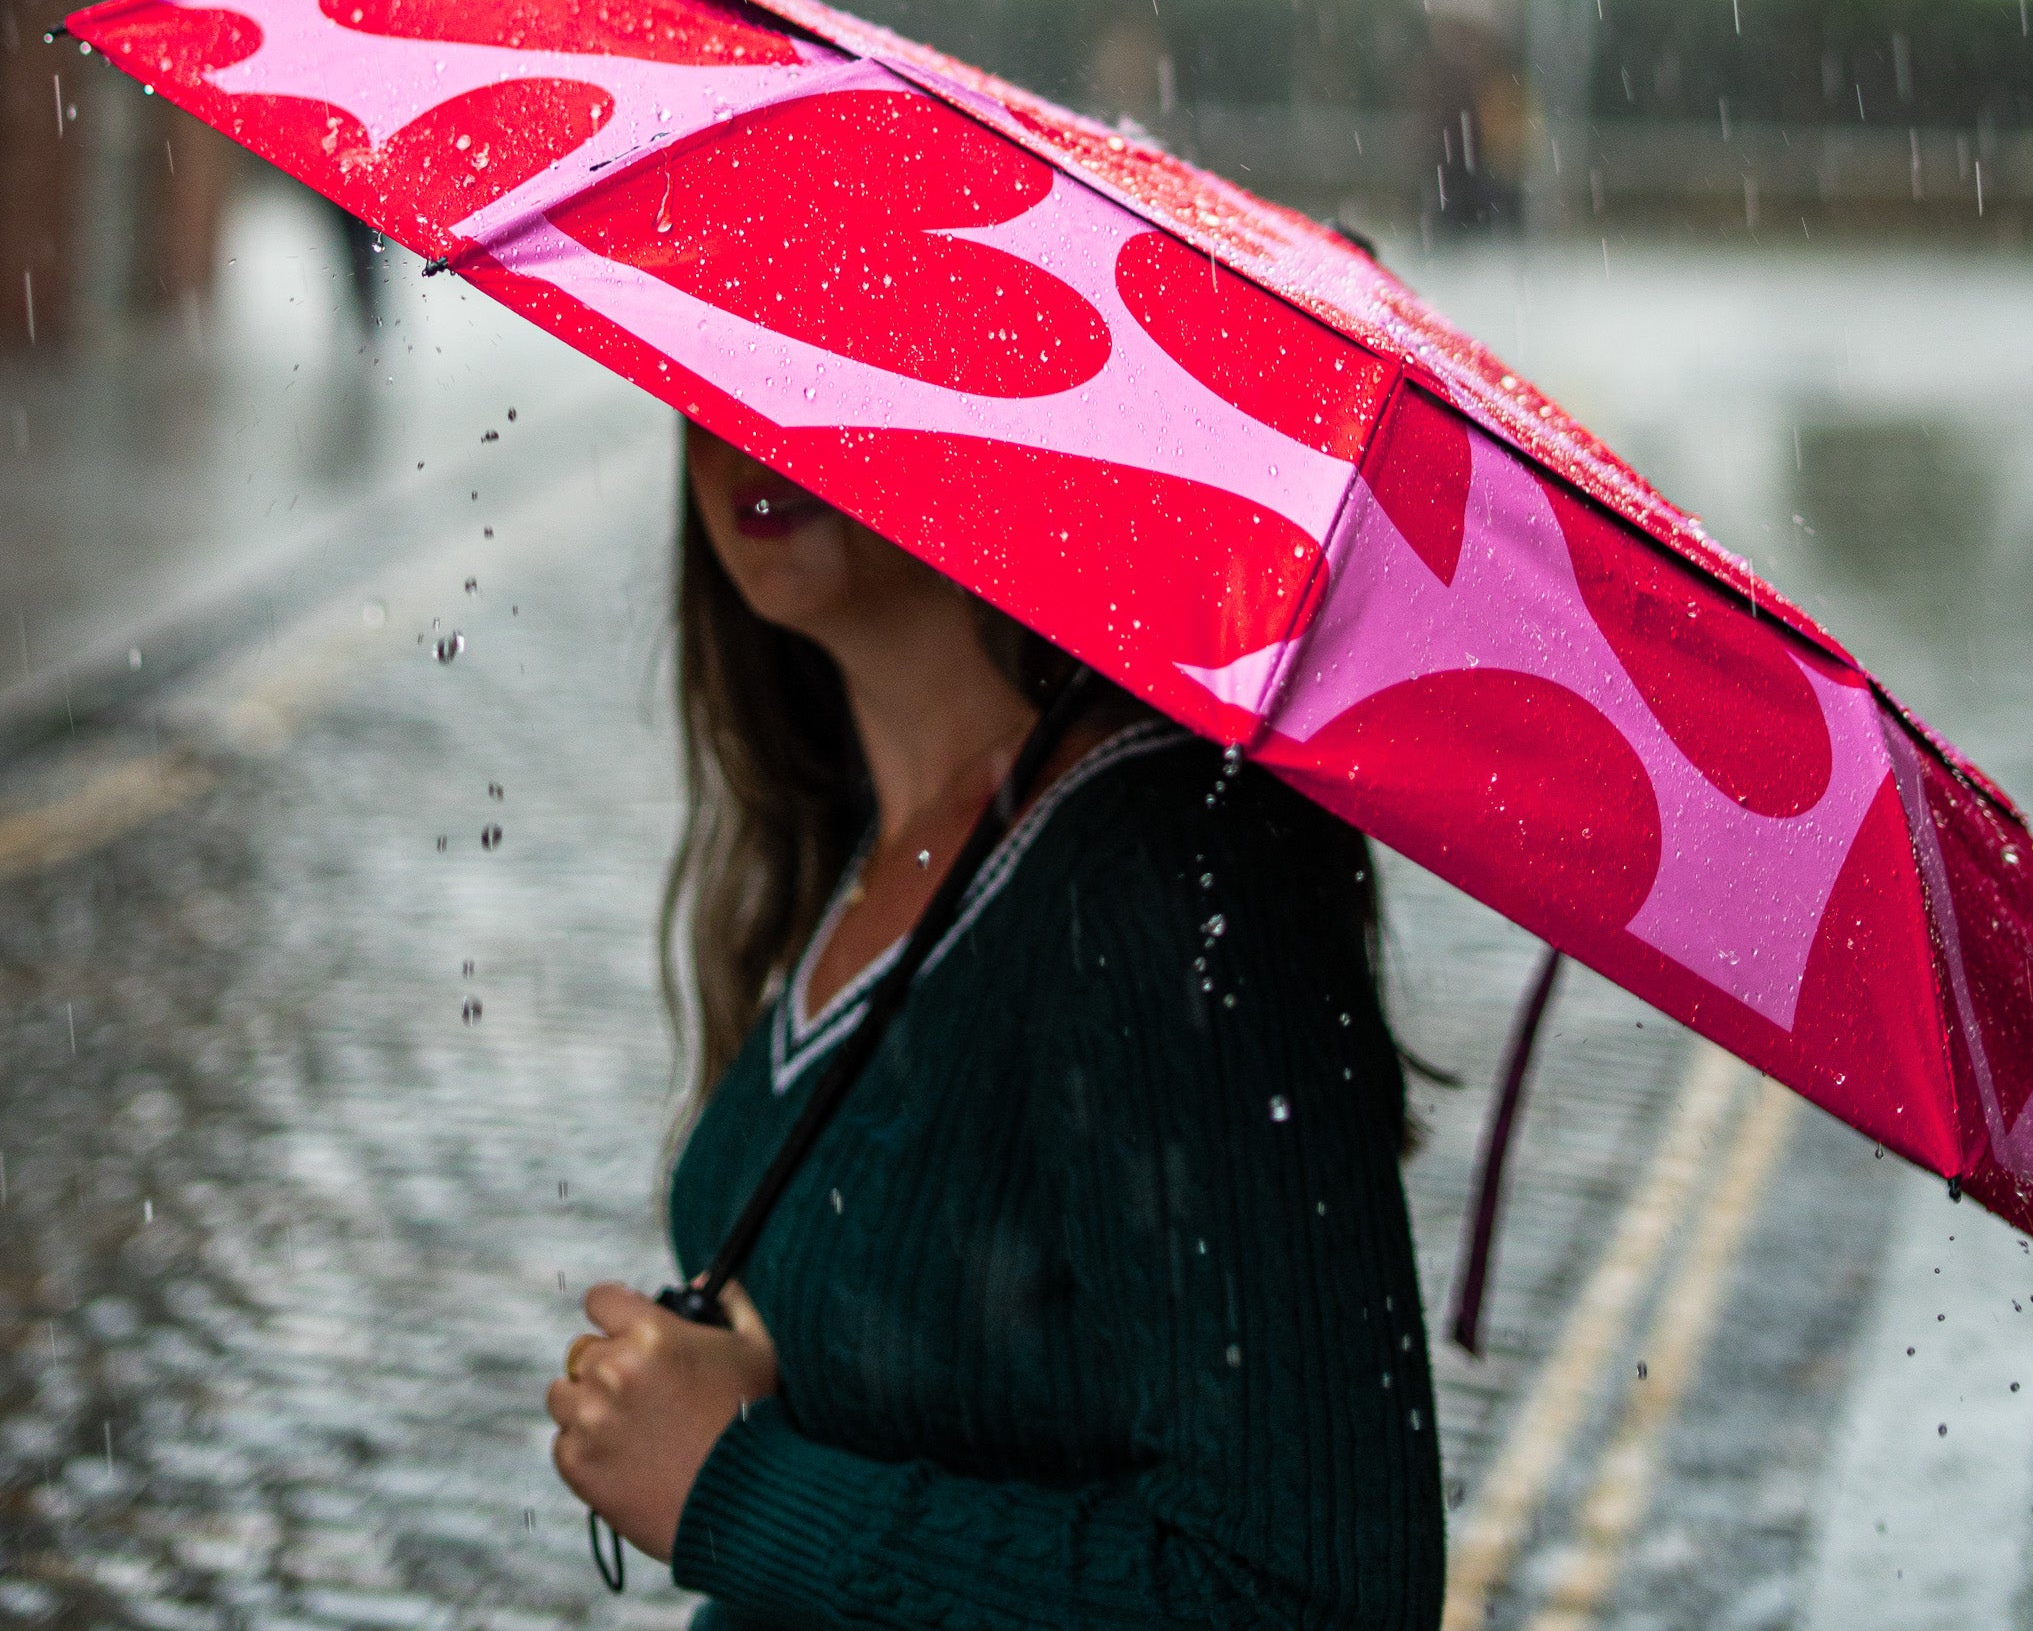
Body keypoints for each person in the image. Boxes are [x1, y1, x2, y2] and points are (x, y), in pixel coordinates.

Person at [546, 425, 1445, 1628]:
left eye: (841, 343)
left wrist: (736, 1484)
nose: (755, 428)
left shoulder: (1161, 882)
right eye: (735, 354)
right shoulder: (869, 832)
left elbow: (1301, 1597)